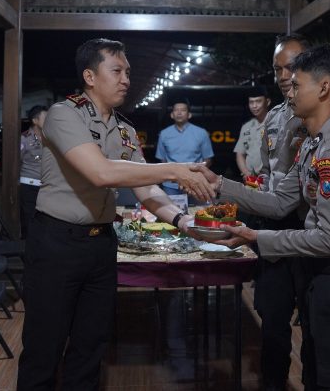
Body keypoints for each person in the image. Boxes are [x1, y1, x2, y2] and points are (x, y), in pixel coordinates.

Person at [17, 38, 214, 391]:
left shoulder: (124, 129)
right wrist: (175, 169)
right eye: (117, 71)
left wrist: (183, 221)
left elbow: (146, 189)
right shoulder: (65, 114)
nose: (126, 79)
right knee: (43, 349)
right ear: (90, 76)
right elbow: (102, 173)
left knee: (90, 347)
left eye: (128, 72)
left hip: (100, 246)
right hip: (57, 245)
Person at [195, 43, 330, 391]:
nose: (288, 91)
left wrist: (255, 237)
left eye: (297, 84)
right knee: (316, 375)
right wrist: (219, 184)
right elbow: (281, 201)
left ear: (324, 88)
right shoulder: (314, 144)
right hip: (321, 278)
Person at [251, 34, 311, 391]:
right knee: (272, 318)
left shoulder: (327, 117)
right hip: (273, 225)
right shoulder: (273, 116)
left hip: (309, 230)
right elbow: (268, 172)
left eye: (292, 65)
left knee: (314, 323)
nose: (285, 74)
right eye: (278, 68)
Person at [155, 98, 214, 197]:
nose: (179, 113)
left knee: (198, 212)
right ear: (172, 115)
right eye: (176, 110)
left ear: (189, 114)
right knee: (171, 212)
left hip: (196, 183)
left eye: (183, 110)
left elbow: (208, 160)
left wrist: (194, 175)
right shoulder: (164, 134)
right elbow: (162, 161)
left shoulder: (201, 133)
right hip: (171, 185)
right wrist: (173, 177)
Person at [18, 104, 47, 239]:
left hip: (46, 186)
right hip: (29, 185)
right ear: (35, 121)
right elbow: (17, 160)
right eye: (45, 117)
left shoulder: (49, 138)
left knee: (43, 221)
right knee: (29, 220)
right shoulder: (24, 138)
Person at [234, 85, 271, 179]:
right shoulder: (247, 127)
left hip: (270, 179)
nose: (254, 106)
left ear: (267, 102)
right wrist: (246, 173)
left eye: (258, 101)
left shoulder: (275, 123)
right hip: (252, 180)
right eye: (251, 102)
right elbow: (240, 154)